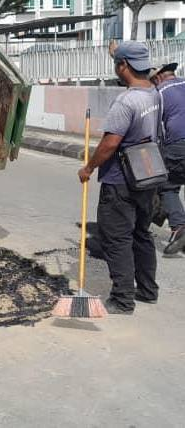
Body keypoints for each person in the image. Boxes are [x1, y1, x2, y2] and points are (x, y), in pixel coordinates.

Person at [77, 41, 160, 314]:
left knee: (116, 238)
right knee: (141, 234)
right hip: (147, 174)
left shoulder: (126, 101)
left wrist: (88, 168)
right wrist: (115, 52)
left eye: (117, 63)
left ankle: (123, 300)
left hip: (120, 180)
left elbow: (111, 143)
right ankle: (147, 290)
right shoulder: (153, 93)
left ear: (123, 67)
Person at [151, 62, 185, 256]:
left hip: (178, 146)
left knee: (168, 185)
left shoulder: (159, 94)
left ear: (158, 77)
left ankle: (179, 226)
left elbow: (155, 128)